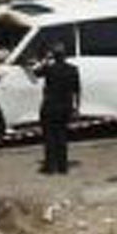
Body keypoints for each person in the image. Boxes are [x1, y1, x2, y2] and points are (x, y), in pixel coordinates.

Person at [39, 43, 80, 175]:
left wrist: (45, 59)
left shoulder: (50, 69)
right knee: (62, 136)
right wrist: (76, 107)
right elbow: (77, 90)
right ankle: (63, 166)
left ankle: (50, 166)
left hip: (50, 106)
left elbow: (35, 73)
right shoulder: (73, 69)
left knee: (49, 137)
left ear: (54, 56)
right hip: (65, 106)